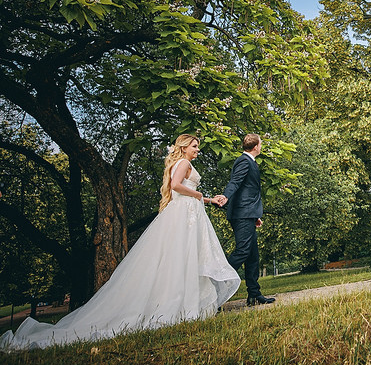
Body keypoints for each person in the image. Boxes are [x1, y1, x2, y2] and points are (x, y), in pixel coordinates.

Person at [0, 134, 240, 351]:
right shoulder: (184, 163)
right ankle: (180, 308)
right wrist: (200, 196)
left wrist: (209, 199)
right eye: (195, 146)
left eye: (198, 146)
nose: (198, 149)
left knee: (179, 260)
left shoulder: (180, 164)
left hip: (186, 213)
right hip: (184, 215)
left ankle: (186, 306)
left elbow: (181, 189)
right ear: (184, 147)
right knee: (182, 258)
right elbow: (176, 186)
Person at [218, 133, 275, 306]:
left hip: (248, 214)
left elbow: (247, 189)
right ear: (256, 146)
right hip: (242, 214)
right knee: (242, 252)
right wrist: (225, 197)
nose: (261, 146)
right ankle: (215, 287)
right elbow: (235, 182)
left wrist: (255, 215)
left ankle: (254, 295)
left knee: (252, 256)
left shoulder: (250, 161)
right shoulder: (244, 161)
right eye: (261, 143)